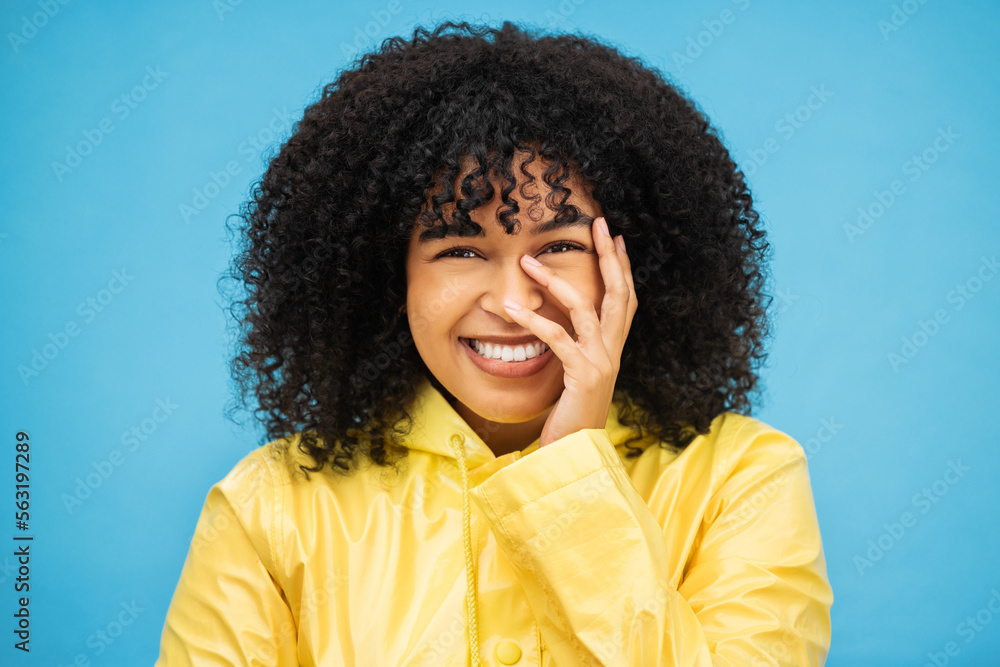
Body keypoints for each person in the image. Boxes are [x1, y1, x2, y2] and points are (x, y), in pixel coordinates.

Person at [155, 20, 832, 666]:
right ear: (388, 276)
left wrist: (572, 469)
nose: (514, 303)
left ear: (634, 264)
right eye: (460, 249)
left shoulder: (742, 480)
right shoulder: (269, 506)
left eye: (560, 245)